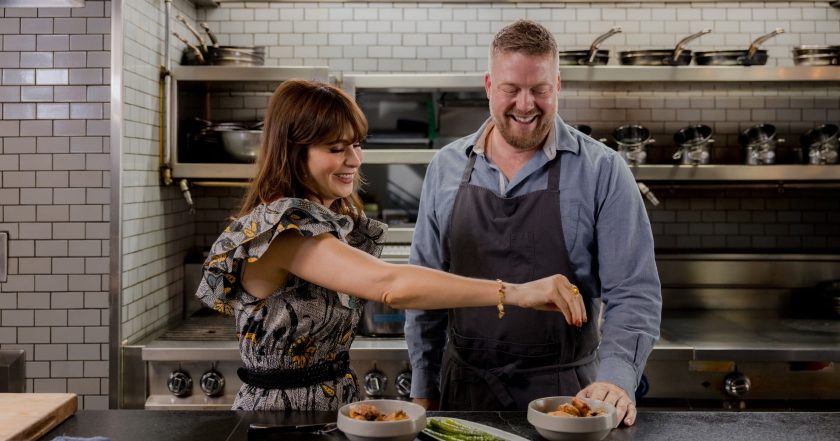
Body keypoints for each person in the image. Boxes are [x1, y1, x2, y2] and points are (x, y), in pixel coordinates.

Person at [194, 79, 587, 412]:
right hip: (279, 421)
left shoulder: (327, 224)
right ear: (294, 153)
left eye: (356, 144)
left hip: (331, 410)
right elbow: (391, 285)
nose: (354, 160)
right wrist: (516, 292)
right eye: (336, 149)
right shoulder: (283, 230)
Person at [405, 19, 662, 427]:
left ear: (557, 85)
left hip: (567, 396)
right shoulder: (446, 168)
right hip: (465, 394)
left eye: (539, 90)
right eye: (511, 89)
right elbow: (424, 291)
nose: (526, 104)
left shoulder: (603, 170)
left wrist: (615, 379)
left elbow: (634, 291)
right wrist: (424, 388)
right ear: (489, 86)